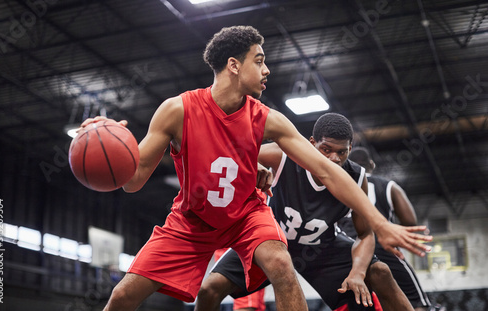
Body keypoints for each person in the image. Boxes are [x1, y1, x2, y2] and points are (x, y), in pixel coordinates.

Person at [80, 26, 431, 311]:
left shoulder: (269, 121)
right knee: (123, 297)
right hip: (190, 220)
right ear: (234, 65)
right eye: (259, 61)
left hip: (246, 214)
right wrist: (112, 145)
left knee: (281, 264)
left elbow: (326, 171)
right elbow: (132, 182)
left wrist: (380, 222)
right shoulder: (178, 111)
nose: (267, 71)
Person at [195, 113, 419, 311]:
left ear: (350, 148)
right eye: (326, 149)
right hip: (271, 241)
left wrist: (358, 272)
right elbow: (231, 155)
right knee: (209, 289)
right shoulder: (283, 156)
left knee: (381, 272)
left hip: (322, 248)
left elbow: (365, 234)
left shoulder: (357, 177)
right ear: (312, 143)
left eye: (342, 152)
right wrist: (255, 165)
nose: (334, 158)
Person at [336, 147, 431, 311]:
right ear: (371, 164)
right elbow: (410, 221)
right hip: (380, 244)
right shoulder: (388, 186)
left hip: (346, 250)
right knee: (416, 302)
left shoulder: (337, 186)